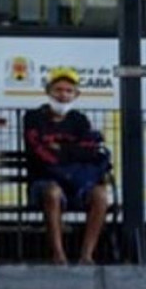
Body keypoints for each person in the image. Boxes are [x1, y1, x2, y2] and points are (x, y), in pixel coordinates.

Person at [24, 70, 114, 266]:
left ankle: (86, 256)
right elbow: (38, 153)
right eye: (58, 90)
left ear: (76, 94)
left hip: (77, 182)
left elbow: (90, 151)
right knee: (53, 193)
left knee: (101, 195)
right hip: (44, 181)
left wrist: (61, 150)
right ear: (48, 92)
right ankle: (58, 256)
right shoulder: (33, 118)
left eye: (68, 90)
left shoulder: (79, 120)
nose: (63, 95)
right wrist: (73, 151)